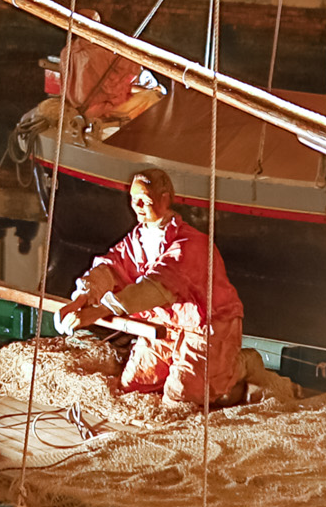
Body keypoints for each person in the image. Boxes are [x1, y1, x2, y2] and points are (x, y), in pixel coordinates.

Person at [57, 168, 245, 410]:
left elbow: (156, 287)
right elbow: (110, 267)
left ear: (165, 199)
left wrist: (98, 312)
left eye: (144, 199)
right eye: (133, 199)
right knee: (133, 385)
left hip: (207, 328)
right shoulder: (136, 240)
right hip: (165, 328)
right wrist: (80, 299)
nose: (137, 205)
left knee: (180, 400)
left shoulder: (192, 244)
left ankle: (238, 367)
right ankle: (197, 370)